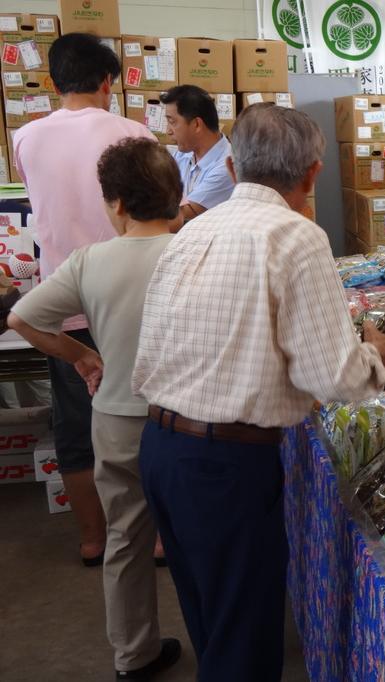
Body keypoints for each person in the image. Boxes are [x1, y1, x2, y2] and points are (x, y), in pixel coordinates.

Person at [132, 103, 385, 681]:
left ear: (232, 168)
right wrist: (375, 358)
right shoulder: (297, 235)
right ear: (312, 174)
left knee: (212, 622)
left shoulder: (193, 230)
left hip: (160, 447)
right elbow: (331, 376)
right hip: (226, 464)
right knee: (245, 642)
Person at [9, 138, 182, 680]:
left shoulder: (89, 261)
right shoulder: (194, 252)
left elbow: (22, 319)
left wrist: (84, 355)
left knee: (126, 541)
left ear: (117, 205)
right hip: (191, 421)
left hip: (117, 418)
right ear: (175, 197)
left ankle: (134, 655)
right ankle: (221, 649)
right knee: (199, 540)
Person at [12, 32, 155, 566]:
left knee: (76, 427)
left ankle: (94, 539)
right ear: (107, 82)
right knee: (149, 414)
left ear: (52, 82)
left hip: (63, 304)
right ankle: (158, 535)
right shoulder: (133, 132)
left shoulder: (26, 139)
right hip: (132, 293)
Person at [160, 85, 234, 224]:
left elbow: (181, 215)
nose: (168, 131)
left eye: (172, 122)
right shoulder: (182, 155)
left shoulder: (225, 166)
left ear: (196, 125)